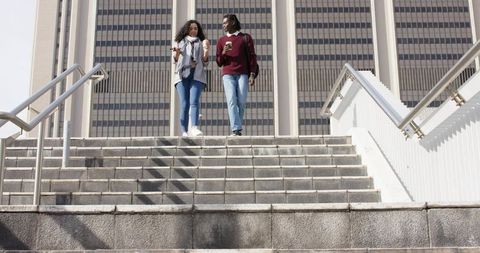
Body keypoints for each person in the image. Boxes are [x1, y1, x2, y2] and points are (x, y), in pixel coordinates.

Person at [216, 14, 258, 136]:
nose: (223, 25)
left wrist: (252, 74)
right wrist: (223, 52)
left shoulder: (245, 38)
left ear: (233, 22)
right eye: (223, 23)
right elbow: (219, 62)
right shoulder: (221, 40)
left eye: (225, 23)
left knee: (241, 102)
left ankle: (237, 127)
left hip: (243, 74)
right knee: (231, 100)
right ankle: (236, 129)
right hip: (228, 74)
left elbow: (252, 57)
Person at [172, 20, 210, 137]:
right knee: (184, 103)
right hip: (181, 76)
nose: (194, 30)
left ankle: (194, 127)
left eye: (196, 28)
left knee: (194, 101)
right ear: (187, 29)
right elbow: (175, 60)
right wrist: (177, 53)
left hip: (196, 75)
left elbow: (205, 62)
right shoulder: (179, 42)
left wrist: (206, 51)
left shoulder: (201, 42)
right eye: (191, 28)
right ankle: (184, 131)